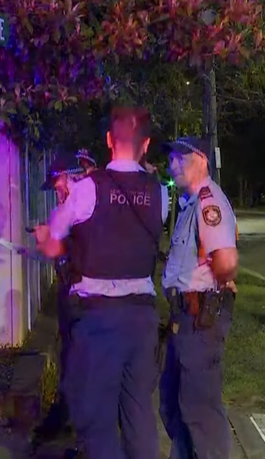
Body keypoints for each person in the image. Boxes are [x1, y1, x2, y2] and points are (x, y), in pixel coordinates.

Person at [34, 107, 169, 459]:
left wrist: (47, 235)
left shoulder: (88, 189)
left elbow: (52, 244)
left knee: (98, 419)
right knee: (139, 414)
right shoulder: (160, 194)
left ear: (109, 140)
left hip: (99, 321)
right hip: (142, 320)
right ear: (147, 145)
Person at [159, 136, 239, 459]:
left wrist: (213, 294)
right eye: (172, 158)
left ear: (203, 160)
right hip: (185, 318)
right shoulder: (188, 204)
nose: (174, 163)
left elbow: (227, 262)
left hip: (200, 318)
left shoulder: (208, 202)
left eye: (182, 157)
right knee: (171, 402)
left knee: (200, 410)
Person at [31, 151, 88, 450]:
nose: (56, 188)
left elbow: (57, 243)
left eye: (58, 181)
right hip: (73, 291)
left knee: (78, 359)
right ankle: (66, 420)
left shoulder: (79, 204)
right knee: (71, 356)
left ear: (72, 176)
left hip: (81, 294)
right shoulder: (74, 204)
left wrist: (45, 238)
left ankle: (76, 429)